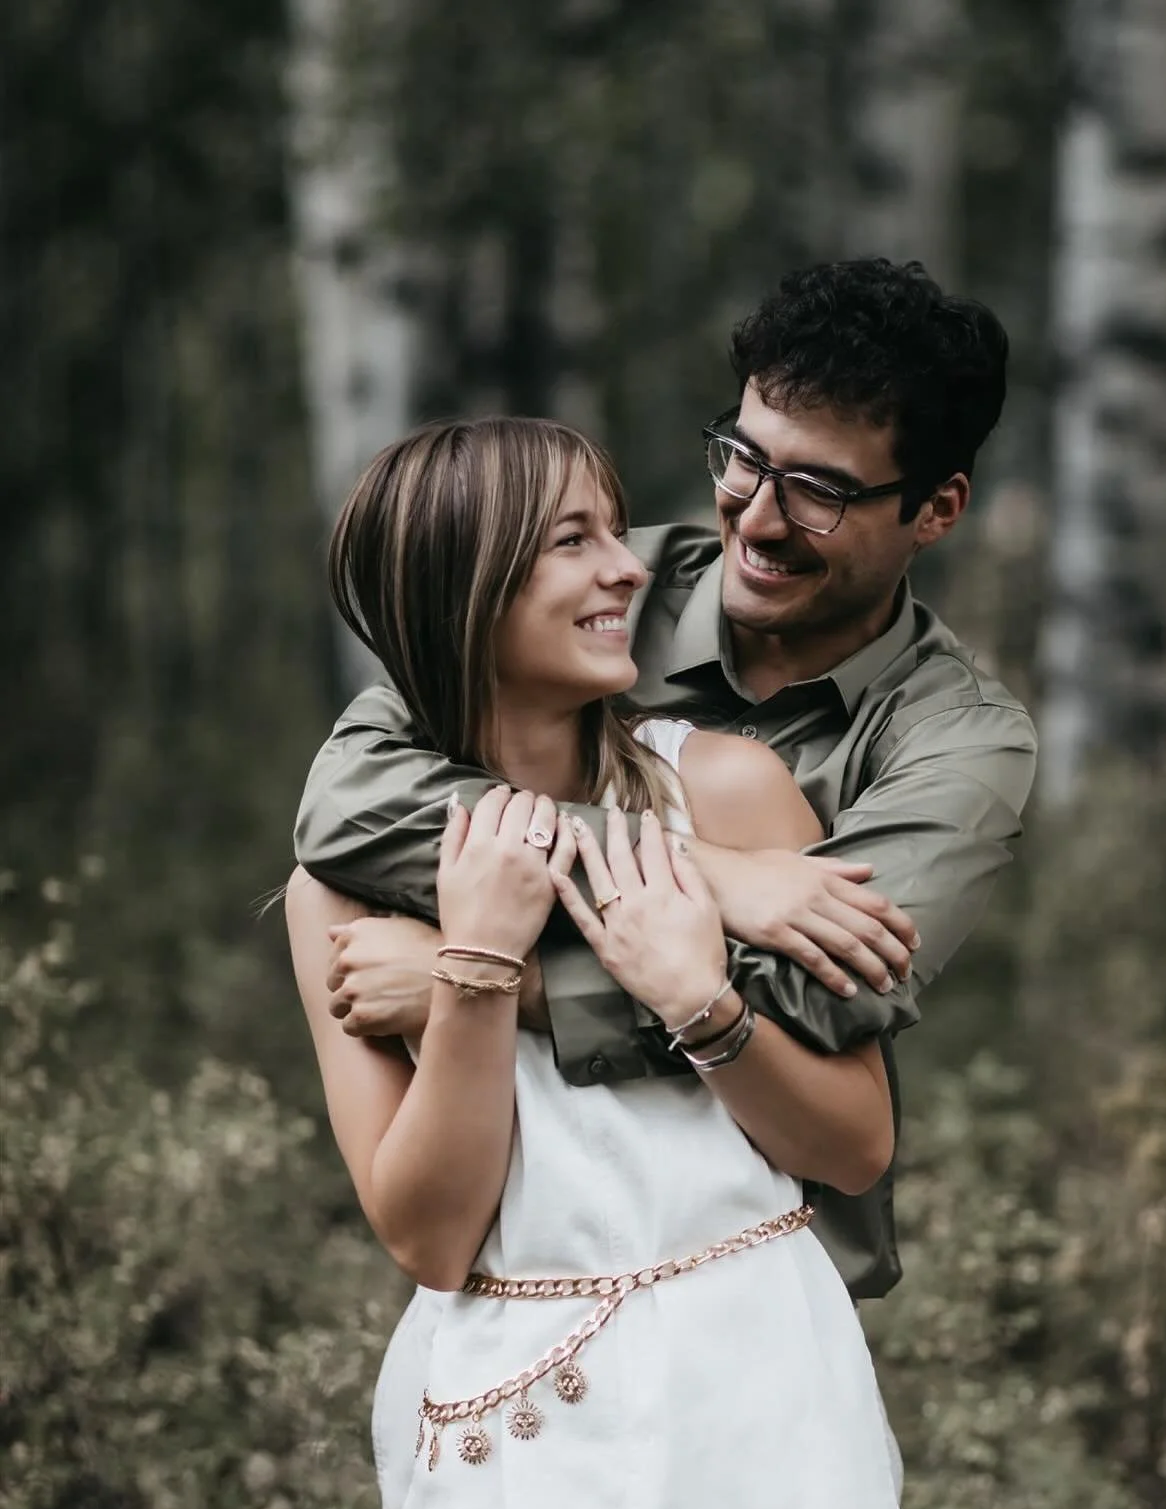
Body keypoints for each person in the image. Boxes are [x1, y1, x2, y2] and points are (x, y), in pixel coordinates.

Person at [287, 415, 956, 1509]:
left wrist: (700, 1005)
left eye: (616, 530)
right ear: (458, 593)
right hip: (511, 1420)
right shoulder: (340, 890)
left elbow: (854, 1140)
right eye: (572, 542)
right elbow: (426, 1237)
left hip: (761, 1384)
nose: (625, 573)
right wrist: (473, 969)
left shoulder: (729, 788)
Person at [296, 257, 1038, 1306]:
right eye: (742, 457)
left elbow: (820, 1010)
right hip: (526, 1272)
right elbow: (349, 799)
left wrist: (489, 978)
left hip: (759, 1255)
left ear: (938, 507)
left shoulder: (957, 744)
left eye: (819, 490)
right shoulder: (594, 592)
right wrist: (715, 877)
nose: (758, 516)